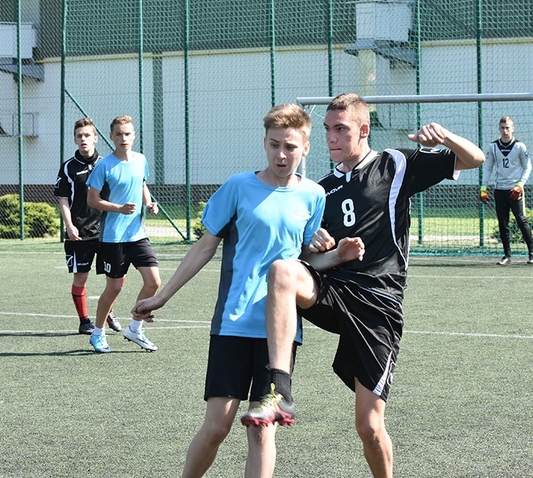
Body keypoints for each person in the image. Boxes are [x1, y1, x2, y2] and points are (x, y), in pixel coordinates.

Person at [239, 93, 485, 478]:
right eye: (327, 130)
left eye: (341, 129)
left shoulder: (395, 164)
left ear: (363, 130)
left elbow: (475, 159)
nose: (332, 138)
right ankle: (278, 389)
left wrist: (446, 138)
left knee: (369, 428)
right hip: (335, 293)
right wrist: (316, 246)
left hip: (378, 305)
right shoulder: (319, 191)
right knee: (283, 272)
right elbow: (308, 261)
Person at [131, 104, 339, 478]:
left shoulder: (313, 195)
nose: (281, 154)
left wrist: (336, 254)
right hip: (233, 322)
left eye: (290, 147)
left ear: (306, 148)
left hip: (281, 334)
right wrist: (163, 295)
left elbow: (304, 264)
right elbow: (204, 247)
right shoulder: (238, 187)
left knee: (262, 430)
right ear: (264, 143)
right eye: (274, 145)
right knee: (217, 427)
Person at [85, 115, 160, 353]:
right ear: (112, 137)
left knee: (154, 282)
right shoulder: (104, 165)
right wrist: (118, 208)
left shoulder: (141, 160)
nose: (123, 138)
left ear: (134, 135)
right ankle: (97, 333)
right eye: (118, 134)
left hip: (137, 234)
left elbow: (141, 185)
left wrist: (148, 203)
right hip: (112, 237)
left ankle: (135, 328)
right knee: (114, 288)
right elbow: (92, 199)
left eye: (127, 133)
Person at [54, 117, 122, 335]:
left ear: (95, 138)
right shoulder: (68, 167)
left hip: (106, 231)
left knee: (115, 277)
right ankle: (84, 321)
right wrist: (69, 225)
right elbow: (63, 198)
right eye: (79, 136)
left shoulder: (106, 163)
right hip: (80, 232)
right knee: (81, 277)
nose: (83, 139)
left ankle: (107, 311)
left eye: (87, 135)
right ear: (75, 140)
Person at [479, 116, 533, 265]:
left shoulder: (520, 147)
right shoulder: (493, 147)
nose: (505, 131)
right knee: (502, 223)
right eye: (502, 128)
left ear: (513, 128)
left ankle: (532, 253)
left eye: (508, 128)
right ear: (499, 129)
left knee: (521, 220)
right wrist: (483, 188)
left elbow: (527, 167)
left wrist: (520, 184)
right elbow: (488, 167)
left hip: (514, 190)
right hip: (500, 190)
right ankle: (507, 255)